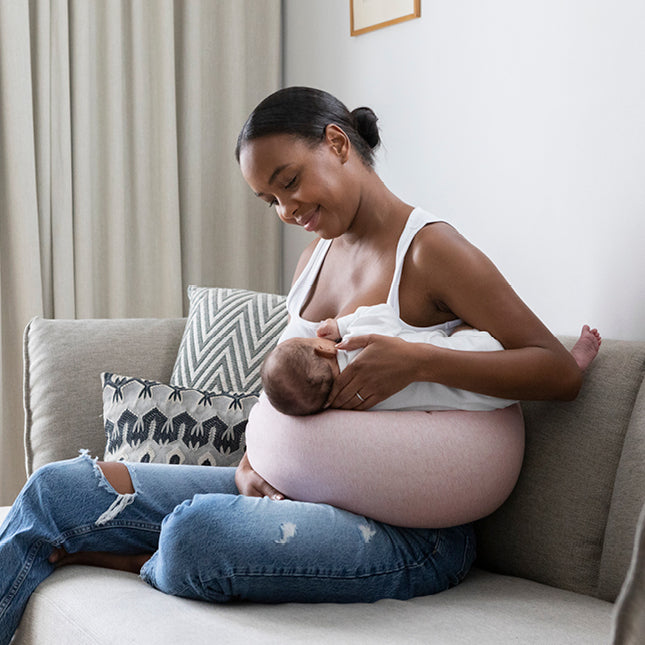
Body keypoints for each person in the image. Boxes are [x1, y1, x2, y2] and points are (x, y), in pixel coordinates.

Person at [0, 87, 601, 643]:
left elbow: (558, 372)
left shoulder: (431, 250)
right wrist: (256, 462)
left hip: (411, 533)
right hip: (290, 498)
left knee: (197, 536)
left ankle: (141, 557)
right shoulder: (313, 261)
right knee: (57, 490)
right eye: (271, 200)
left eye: (290, 182)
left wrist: (417, 360)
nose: (288, 210)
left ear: (338, 144)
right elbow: (290, 395)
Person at [261, 302, 519, 415]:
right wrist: (340, 326)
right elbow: (382, 312)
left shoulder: (355, 406)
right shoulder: (361, 341)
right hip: (488, 360)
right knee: (458, 330)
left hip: (483, 405)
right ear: (324, 348)